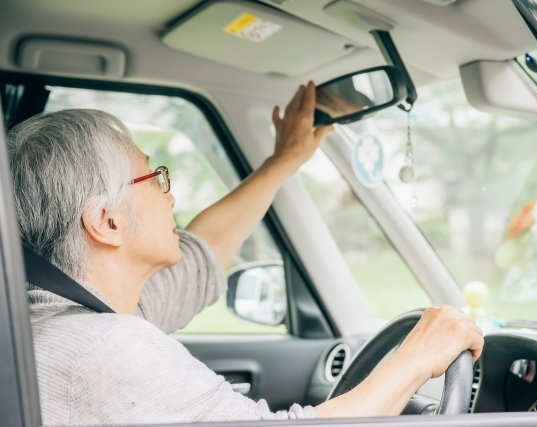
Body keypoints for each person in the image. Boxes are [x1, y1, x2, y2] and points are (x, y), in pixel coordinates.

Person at [8, 81, 484, 426]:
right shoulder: (104, 349)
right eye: (155, 177)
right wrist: (417, 358)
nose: (169, 195)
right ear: (107, 222)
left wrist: (283, 162)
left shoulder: (55, 319)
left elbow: (205, 253)